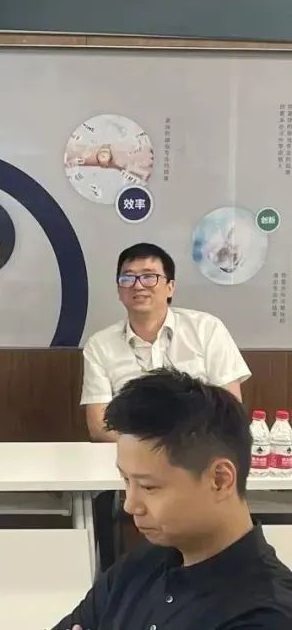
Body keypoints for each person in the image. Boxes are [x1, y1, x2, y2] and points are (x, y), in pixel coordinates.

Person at [52, 369, 292, 630]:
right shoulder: (140, 565)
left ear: (220, 480)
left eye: (149, 487)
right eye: (126, 481)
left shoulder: (268, 615)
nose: (130, 505)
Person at [81, 242, 250, 443]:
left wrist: (179, 447)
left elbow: (231, 410)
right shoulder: (99, 345)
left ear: (170, 287)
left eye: (149, 277)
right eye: (128, 278)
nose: (138, 285)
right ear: (119, 290)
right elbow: (98, 426)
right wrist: (154, 448)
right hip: (130, 455)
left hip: (198, 451)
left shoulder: (207, 329)